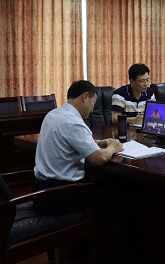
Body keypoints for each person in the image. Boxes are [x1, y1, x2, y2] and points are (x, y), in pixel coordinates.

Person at [34, 80, 124, 214]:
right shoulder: (73, 122)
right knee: (121, 194)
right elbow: (99, 158)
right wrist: (112, 147)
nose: (93, 109)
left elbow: (69, 141)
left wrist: (98, 143)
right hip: (61, 195)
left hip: (41, 191)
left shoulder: (53, 114)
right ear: (85, 97)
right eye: (93, 103)